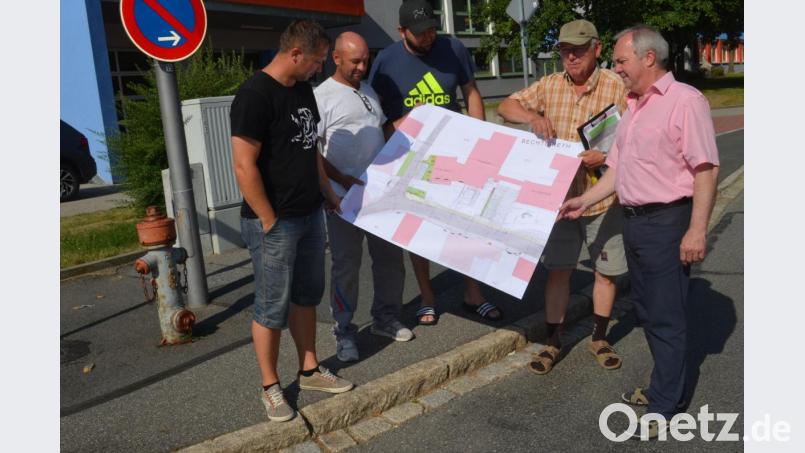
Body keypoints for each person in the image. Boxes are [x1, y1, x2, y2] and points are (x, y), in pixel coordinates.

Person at [560, 25, 719, 438]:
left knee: (666, 316)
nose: (616, 68)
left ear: (649, 58)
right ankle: (665, 388)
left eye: (621, 60)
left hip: (667, 223)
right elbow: (617, 168)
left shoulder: (685, 101)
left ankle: (665, 408)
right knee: (648, 311)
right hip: (634, 222)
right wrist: (584, 200)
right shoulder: (632, 106)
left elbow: (705, 169)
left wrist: (697, 230)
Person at [230, 19, 353, 423]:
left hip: (309, 213)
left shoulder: (302, 90)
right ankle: (270, 387)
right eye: (317, 60)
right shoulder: (254, 95)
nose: (320, 68)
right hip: (274, 222)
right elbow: (243, 164)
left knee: (306, 296)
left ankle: (310, 370)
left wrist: (327, 191)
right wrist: (268, 218)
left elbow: (310, 148)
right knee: (270, 307)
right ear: (296, 54)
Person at [497, 19, 629, 375]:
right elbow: (505, 107)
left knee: (605, 272)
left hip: (601, 198)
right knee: (558, 271)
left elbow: (637, 135)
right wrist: (531, 116)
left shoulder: (617, 86)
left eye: (578, 50)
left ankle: (599, 337)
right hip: (558, 200)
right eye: (565, 50)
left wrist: (607, 155)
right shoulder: (550, 85)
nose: (571, 57)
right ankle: (553, 341)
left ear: (597, 49)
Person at [368, 0, 501, 326]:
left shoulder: (453, 48)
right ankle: (427, 298)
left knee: (464, 225)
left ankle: (473, 293)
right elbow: (373, 113)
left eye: (431, 29)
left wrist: (481, 137)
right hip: (412, 159)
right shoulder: (386, 61)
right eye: (420, 32)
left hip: (455, 153)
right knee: (420, 231)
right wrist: (395, 128)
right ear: (401, 31)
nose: (428, 36)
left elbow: (471, 91)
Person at [315, 32, 414, 363]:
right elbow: (313, 153)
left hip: (379, 196)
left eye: (365, 60)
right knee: (346, 267)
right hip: (342, 200)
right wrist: (339, 181)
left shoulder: (368, 91)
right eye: (354, 61)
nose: (361, 67)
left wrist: (411, 122)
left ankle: (385, 318)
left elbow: (383, 131)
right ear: (336, 58)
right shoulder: (321, 97)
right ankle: (344, 331)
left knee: (390, 261)